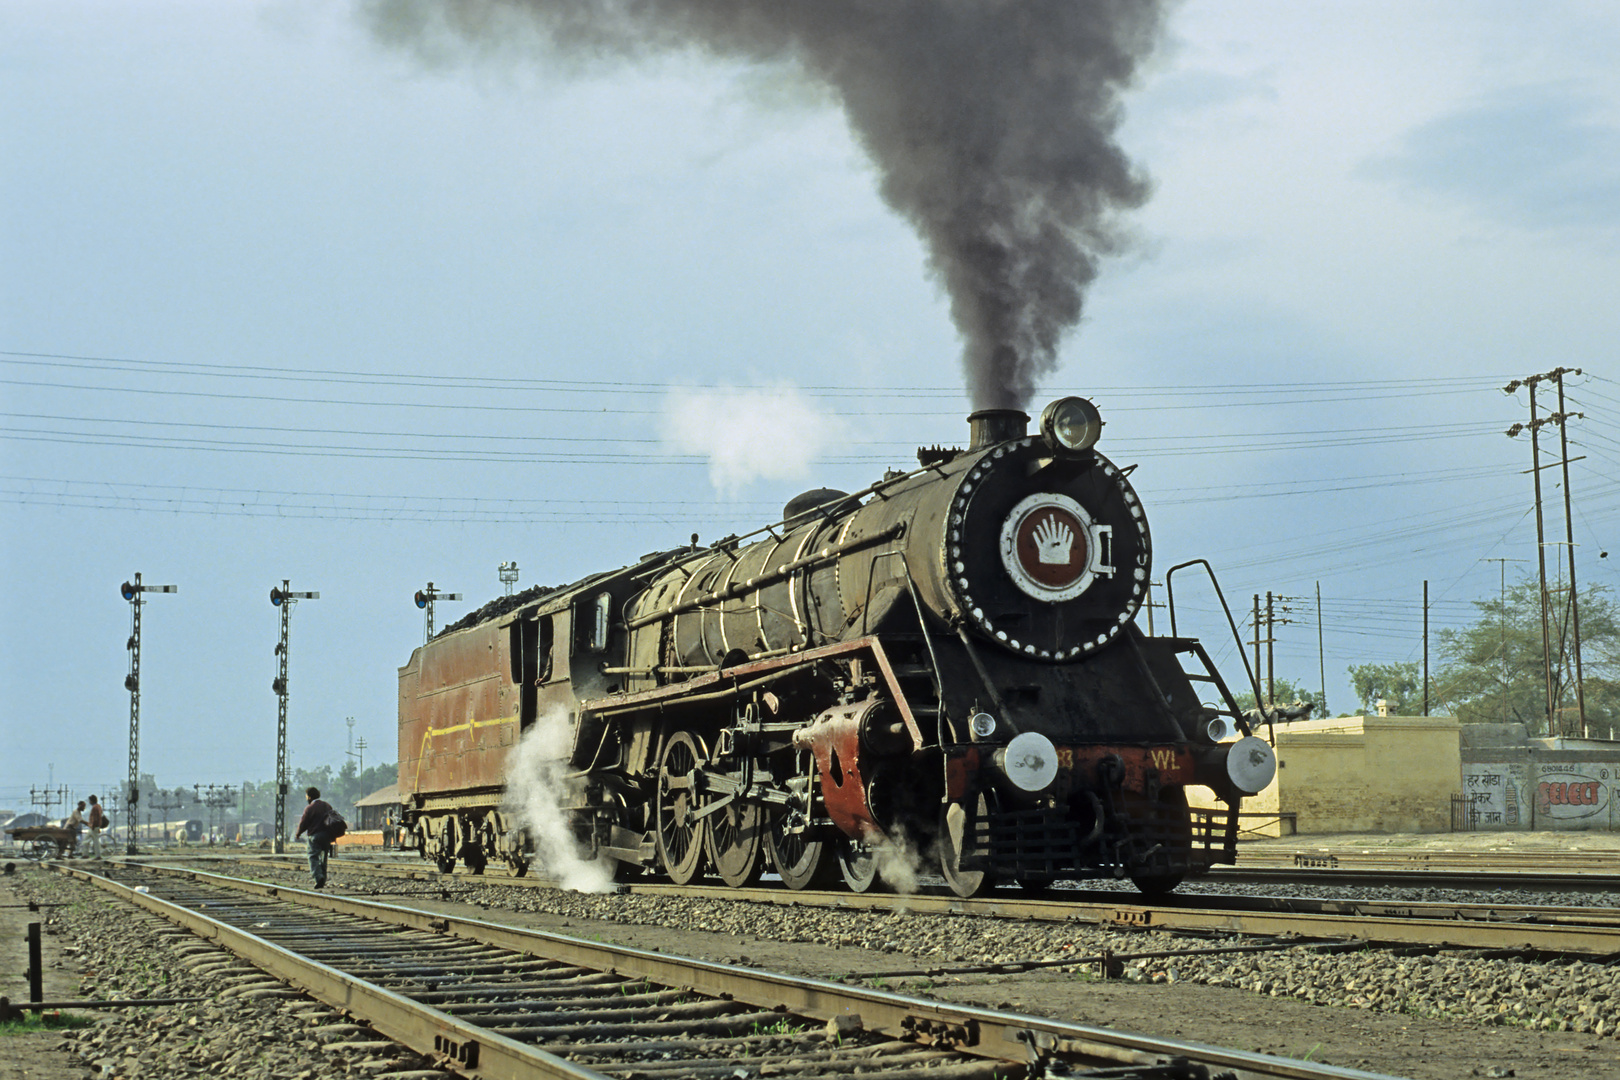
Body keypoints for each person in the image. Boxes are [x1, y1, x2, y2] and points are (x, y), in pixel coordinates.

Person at [293, 786, 346, 888]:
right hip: (327, 836)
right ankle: (323, 878)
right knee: (323, 858)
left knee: (313, 856)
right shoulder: (327, 806)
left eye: (306, 796)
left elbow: (303, 823)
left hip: (315, 836)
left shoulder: (309, 808)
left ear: (309, 797)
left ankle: (318, 877)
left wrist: (298, 834)